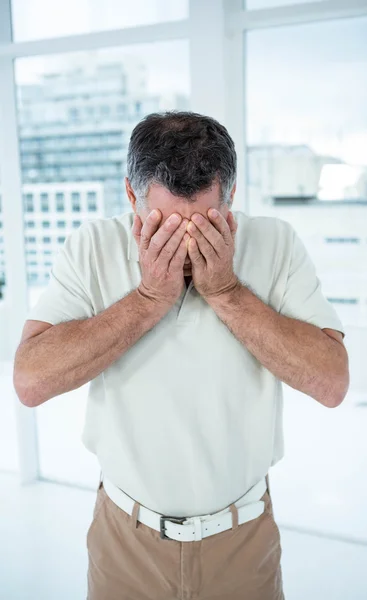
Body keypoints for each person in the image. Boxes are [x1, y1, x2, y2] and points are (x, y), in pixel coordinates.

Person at [14, 111, 349, 600]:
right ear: (132, 196)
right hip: (124, 540)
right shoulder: (91, 246)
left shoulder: (276, 243)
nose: (187, 246)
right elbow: (30, 380)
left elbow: (332, 382)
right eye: (166, 227)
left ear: (230, 197)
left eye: (205, 223)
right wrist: (148, 300)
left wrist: (228, 291)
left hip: (244, 539)